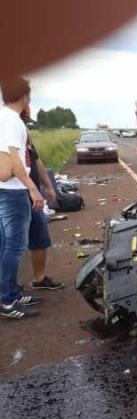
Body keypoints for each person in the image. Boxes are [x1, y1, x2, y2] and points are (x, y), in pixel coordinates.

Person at [0, 77, 45, 319]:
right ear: (25, 96)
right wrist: (33, 188)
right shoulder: (12, 121)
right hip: (13, 191)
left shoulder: (2, 117)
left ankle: (11, 292)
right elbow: (16, 161)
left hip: (4, 189)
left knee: (5, 245)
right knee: (14, 247)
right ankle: (7, 301)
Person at [21, 109, 65, 290]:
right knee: (12, 243)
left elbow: (36, 160)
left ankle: (40, 278)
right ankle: (8, 289)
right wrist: (32, 188)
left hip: (32, 194)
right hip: (15, 194)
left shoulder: (24, 135)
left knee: (39, 236)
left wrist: (48, 186)